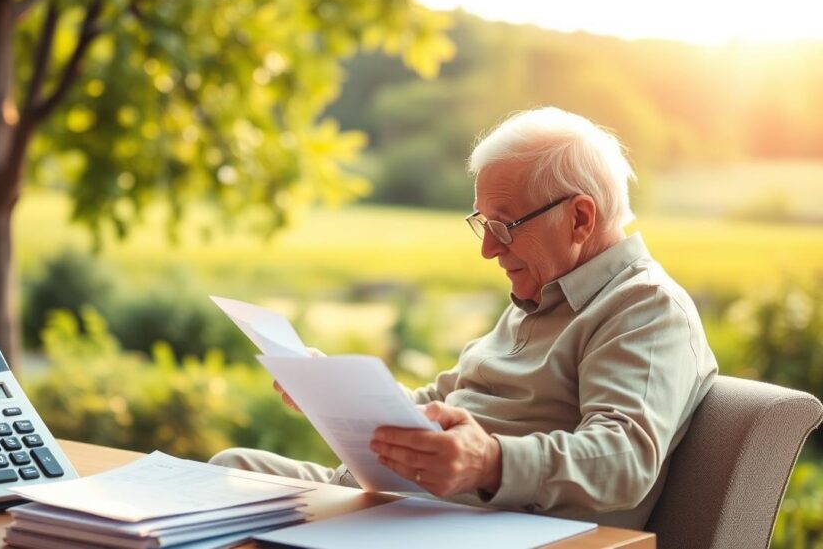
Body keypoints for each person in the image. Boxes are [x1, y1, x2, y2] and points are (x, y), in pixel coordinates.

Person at [210, 107, 718, 529]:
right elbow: (438, 406)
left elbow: (623, 458)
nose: (489, 249)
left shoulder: (643, 309)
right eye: (483, 225)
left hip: (479, 527)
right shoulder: (541, 295)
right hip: (417, 508)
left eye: (505, 225)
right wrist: (332, 390)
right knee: (226, 473)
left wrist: (489, 461)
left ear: (581, 218)